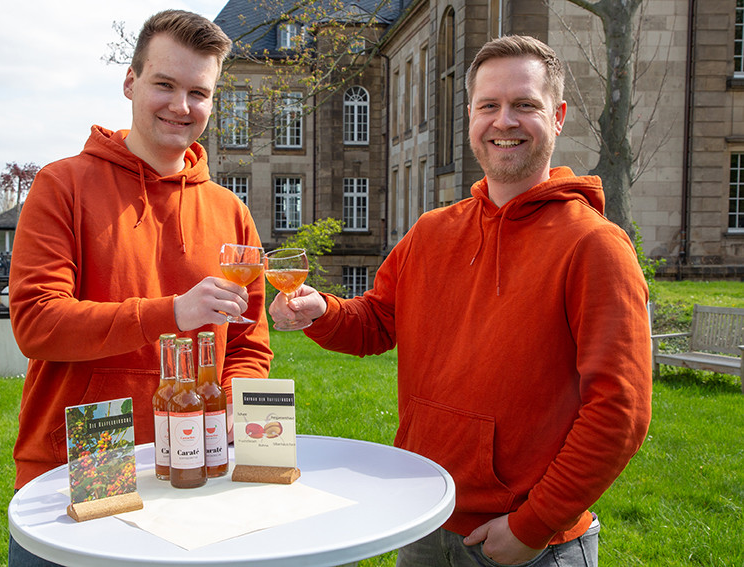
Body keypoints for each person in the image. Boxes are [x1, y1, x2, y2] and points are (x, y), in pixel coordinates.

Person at [270, 35, 652, 566]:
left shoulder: (594, 246)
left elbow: (620, 411)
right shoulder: (432, 231)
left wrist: (533, 524)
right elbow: (377, 321)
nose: (504, 121)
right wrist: (323, 311)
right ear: (469, 114)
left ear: (558, 116)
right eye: (488, 105)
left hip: (530, 543)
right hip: (424, 513)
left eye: (525, 105)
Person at [7, 10, 272, 565]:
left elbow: (248, 344)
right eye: (164, 85)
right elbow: (37, 324)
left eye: (198, 92)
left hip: (196, 470)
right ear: (130, 83)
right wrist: (170, 312)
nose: (181, 106)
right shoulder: (63, 185)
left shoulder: (231, 212)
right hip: (80, 466)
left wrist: (230, 402)